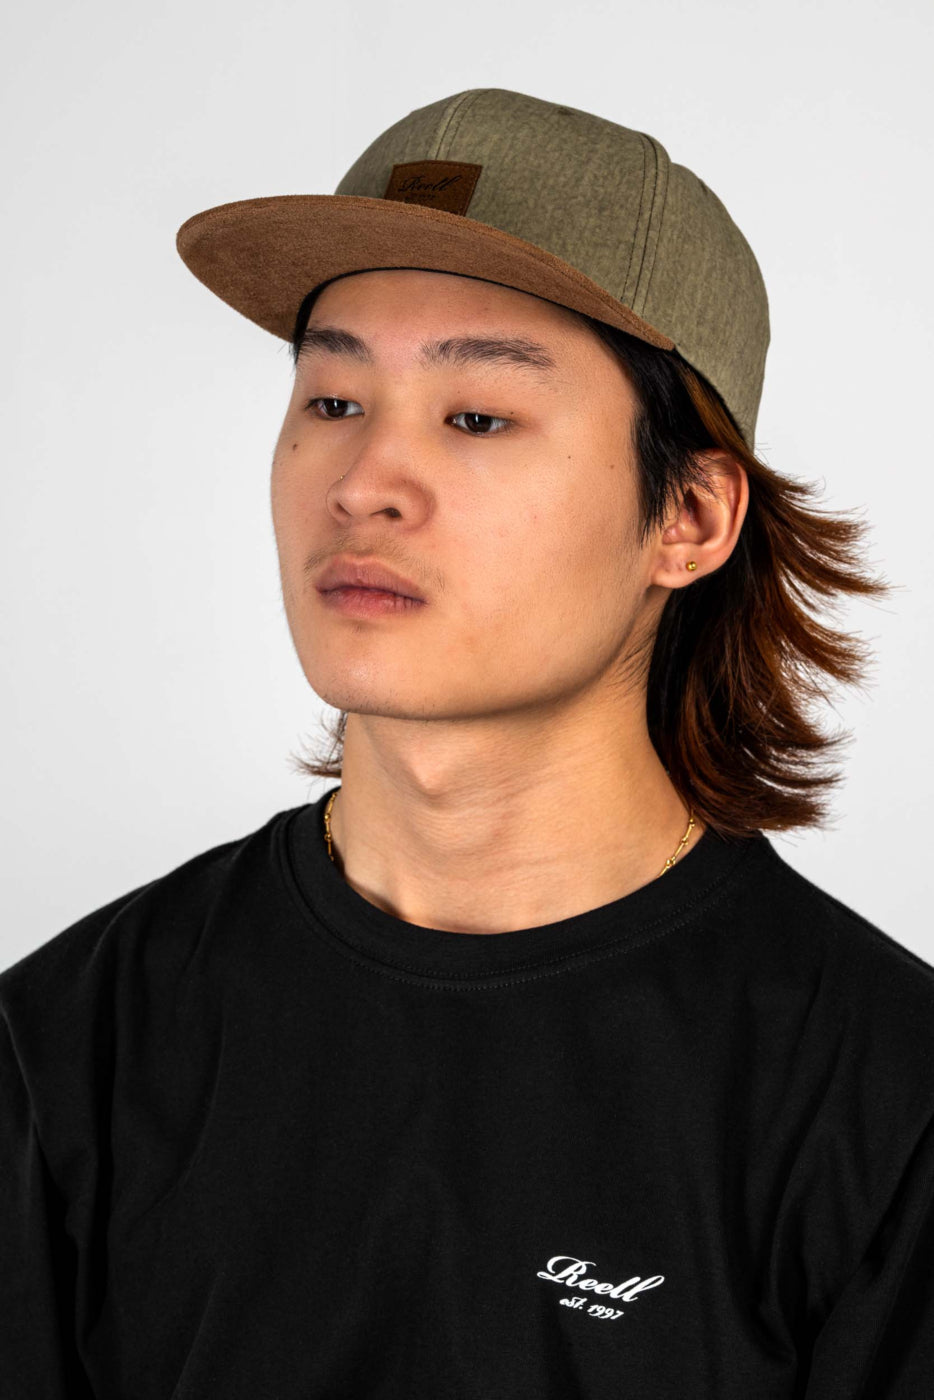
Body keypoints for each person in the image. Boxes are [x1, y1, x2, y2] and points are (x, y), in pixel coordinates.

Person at [1, 87, 931, 1399]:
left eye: (477, 417)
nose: (363, 484)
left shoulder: (881, 1102)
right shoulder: (71, 1042)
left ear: (688, 519)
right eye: (333, 399)